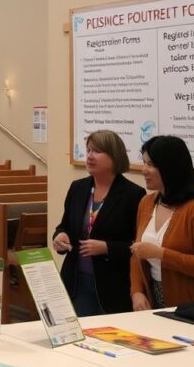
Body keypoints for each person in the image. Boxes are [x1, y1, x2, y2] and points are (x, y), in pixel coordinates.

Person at [129, 136, 194, 310]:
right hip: (157, 302)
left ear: (170, 168)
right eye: (143, 163)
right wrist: (136, 291)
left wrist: (161, 254)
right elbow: (137, 253)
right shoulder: (146, 203)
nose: (144, 170)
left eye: (151, 165)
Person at [53, 130, 144, 316]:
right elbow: (65, 227)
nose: (90, 156)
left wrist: (107, 247)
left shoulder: (133, 195)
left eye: (97, 151)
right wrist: (60, 237)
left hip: (112, 286)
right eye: (88, 150)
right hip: (76, 282)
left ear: (115, 155)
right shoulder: (78, 188)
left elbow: (139, 246)